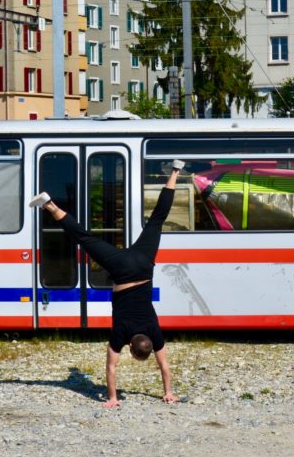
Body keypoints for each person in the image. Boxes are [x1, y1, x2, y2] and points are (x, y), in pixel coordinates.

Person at [30, 160, 185, 408]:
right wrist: (112, 398)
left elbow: (165, 367)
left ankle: (176, 171)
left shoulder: (155, 332)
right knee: (84, 238)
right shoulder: (120, 334)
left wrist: (170, 392)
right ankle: (49, 205)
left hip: (143, 264)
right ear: (131, 349)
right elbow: (111, 368)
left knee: (157, 220)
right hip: (122, 271)